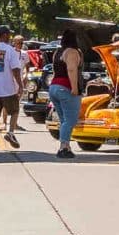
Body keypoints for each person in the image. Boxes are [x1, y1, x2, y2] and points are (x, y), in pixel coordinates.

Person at [46, 31, 88, 159]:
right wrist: (74, 87)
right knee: (70, 120)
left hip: (54, 87)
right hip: (66, 88)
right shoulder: (72, 52)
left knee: (64, 120)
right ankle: (63, 147)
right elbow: (71, 69)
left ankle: (67, 146)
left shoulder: (58, 52)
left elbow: (54, 70)